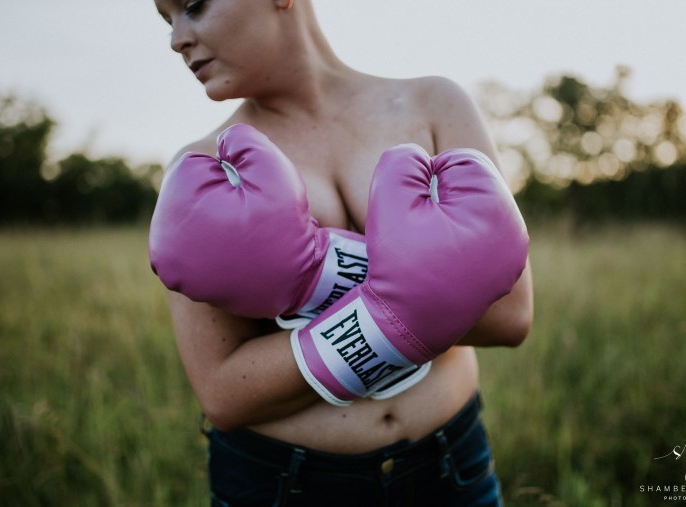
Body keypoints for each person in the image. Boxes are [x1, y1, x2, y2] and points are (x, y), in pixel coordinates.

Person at [151, 0, 533, 505]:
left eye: (193, 7)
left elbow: (511, 316)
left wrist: (340, 291)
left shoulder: (434, 105)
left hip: (450, 465)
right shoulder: (204, 169)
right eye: (167, 20)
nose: (177, 39)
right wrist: (390, 309)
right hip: (285, 484)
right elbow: (223, 393)